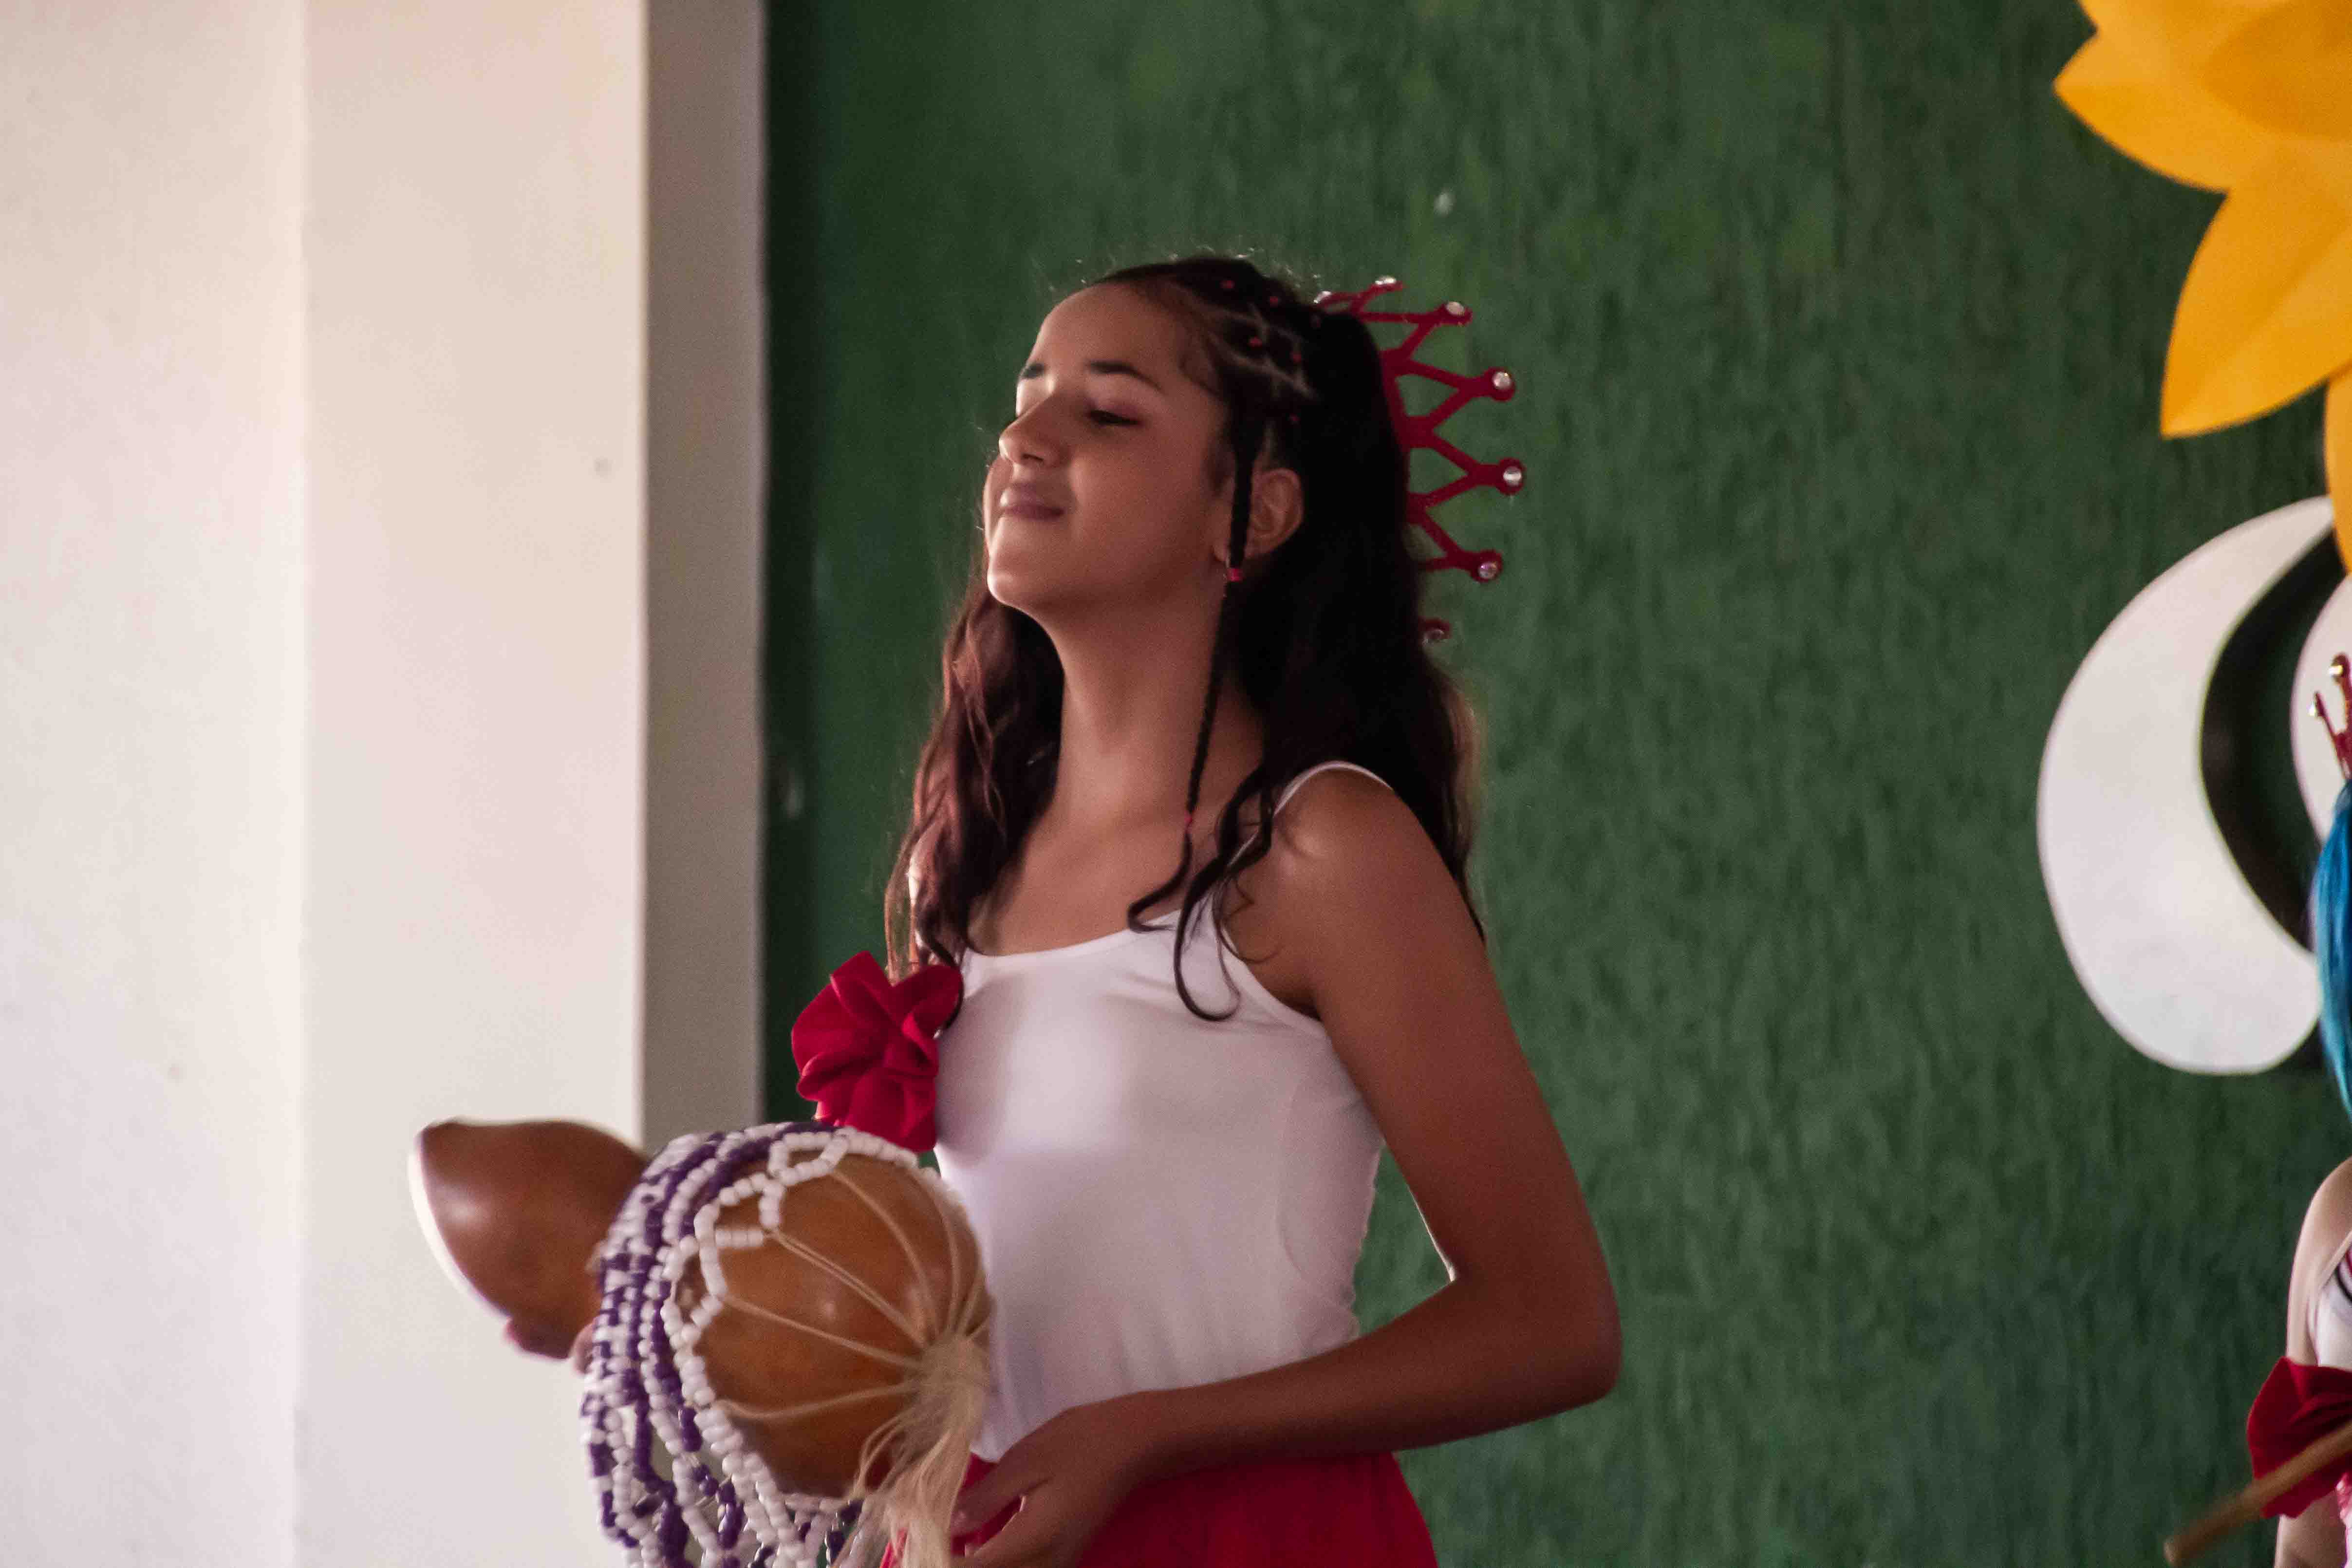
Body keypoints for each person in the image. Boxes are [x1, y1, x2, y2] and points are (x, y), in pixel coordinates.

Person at [876, 252, 1621, 1568]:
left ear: (1255, 514)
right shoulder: (964, 861)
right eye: (1026, 398)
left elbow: (1554, 1321)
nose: (1024, 440)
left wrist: (1149, 1437)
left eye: (1109, 412)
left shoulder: (1321, 849)